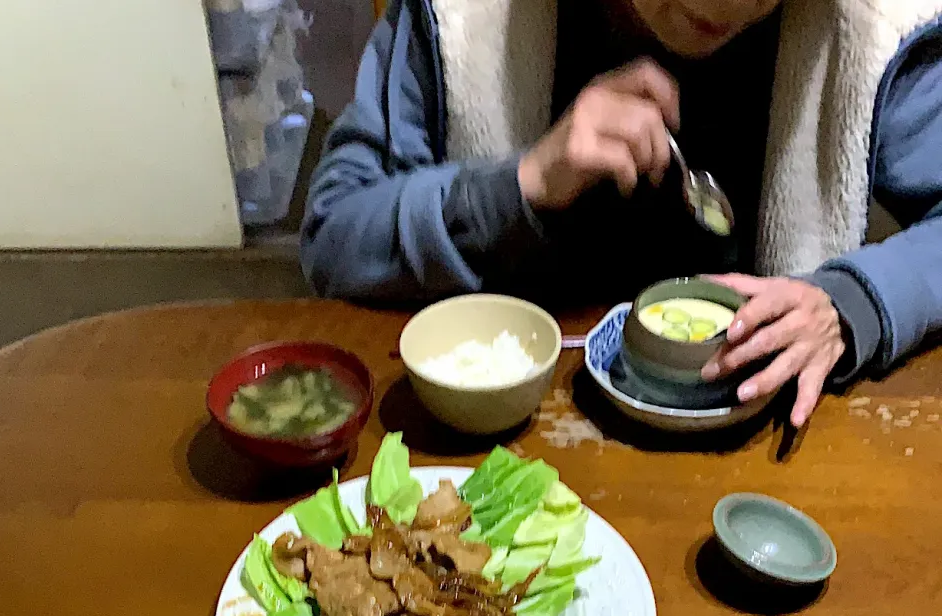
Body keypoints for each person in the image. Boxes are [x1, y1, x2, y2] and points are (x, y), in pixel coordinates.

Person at [301, 1, 942, 425]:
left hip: (762, 453)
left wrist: (848, 303)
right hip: (493, 444)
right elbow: (335, 233)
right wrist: (524, 183)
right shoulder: (461, 17)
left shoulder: (871, 27)